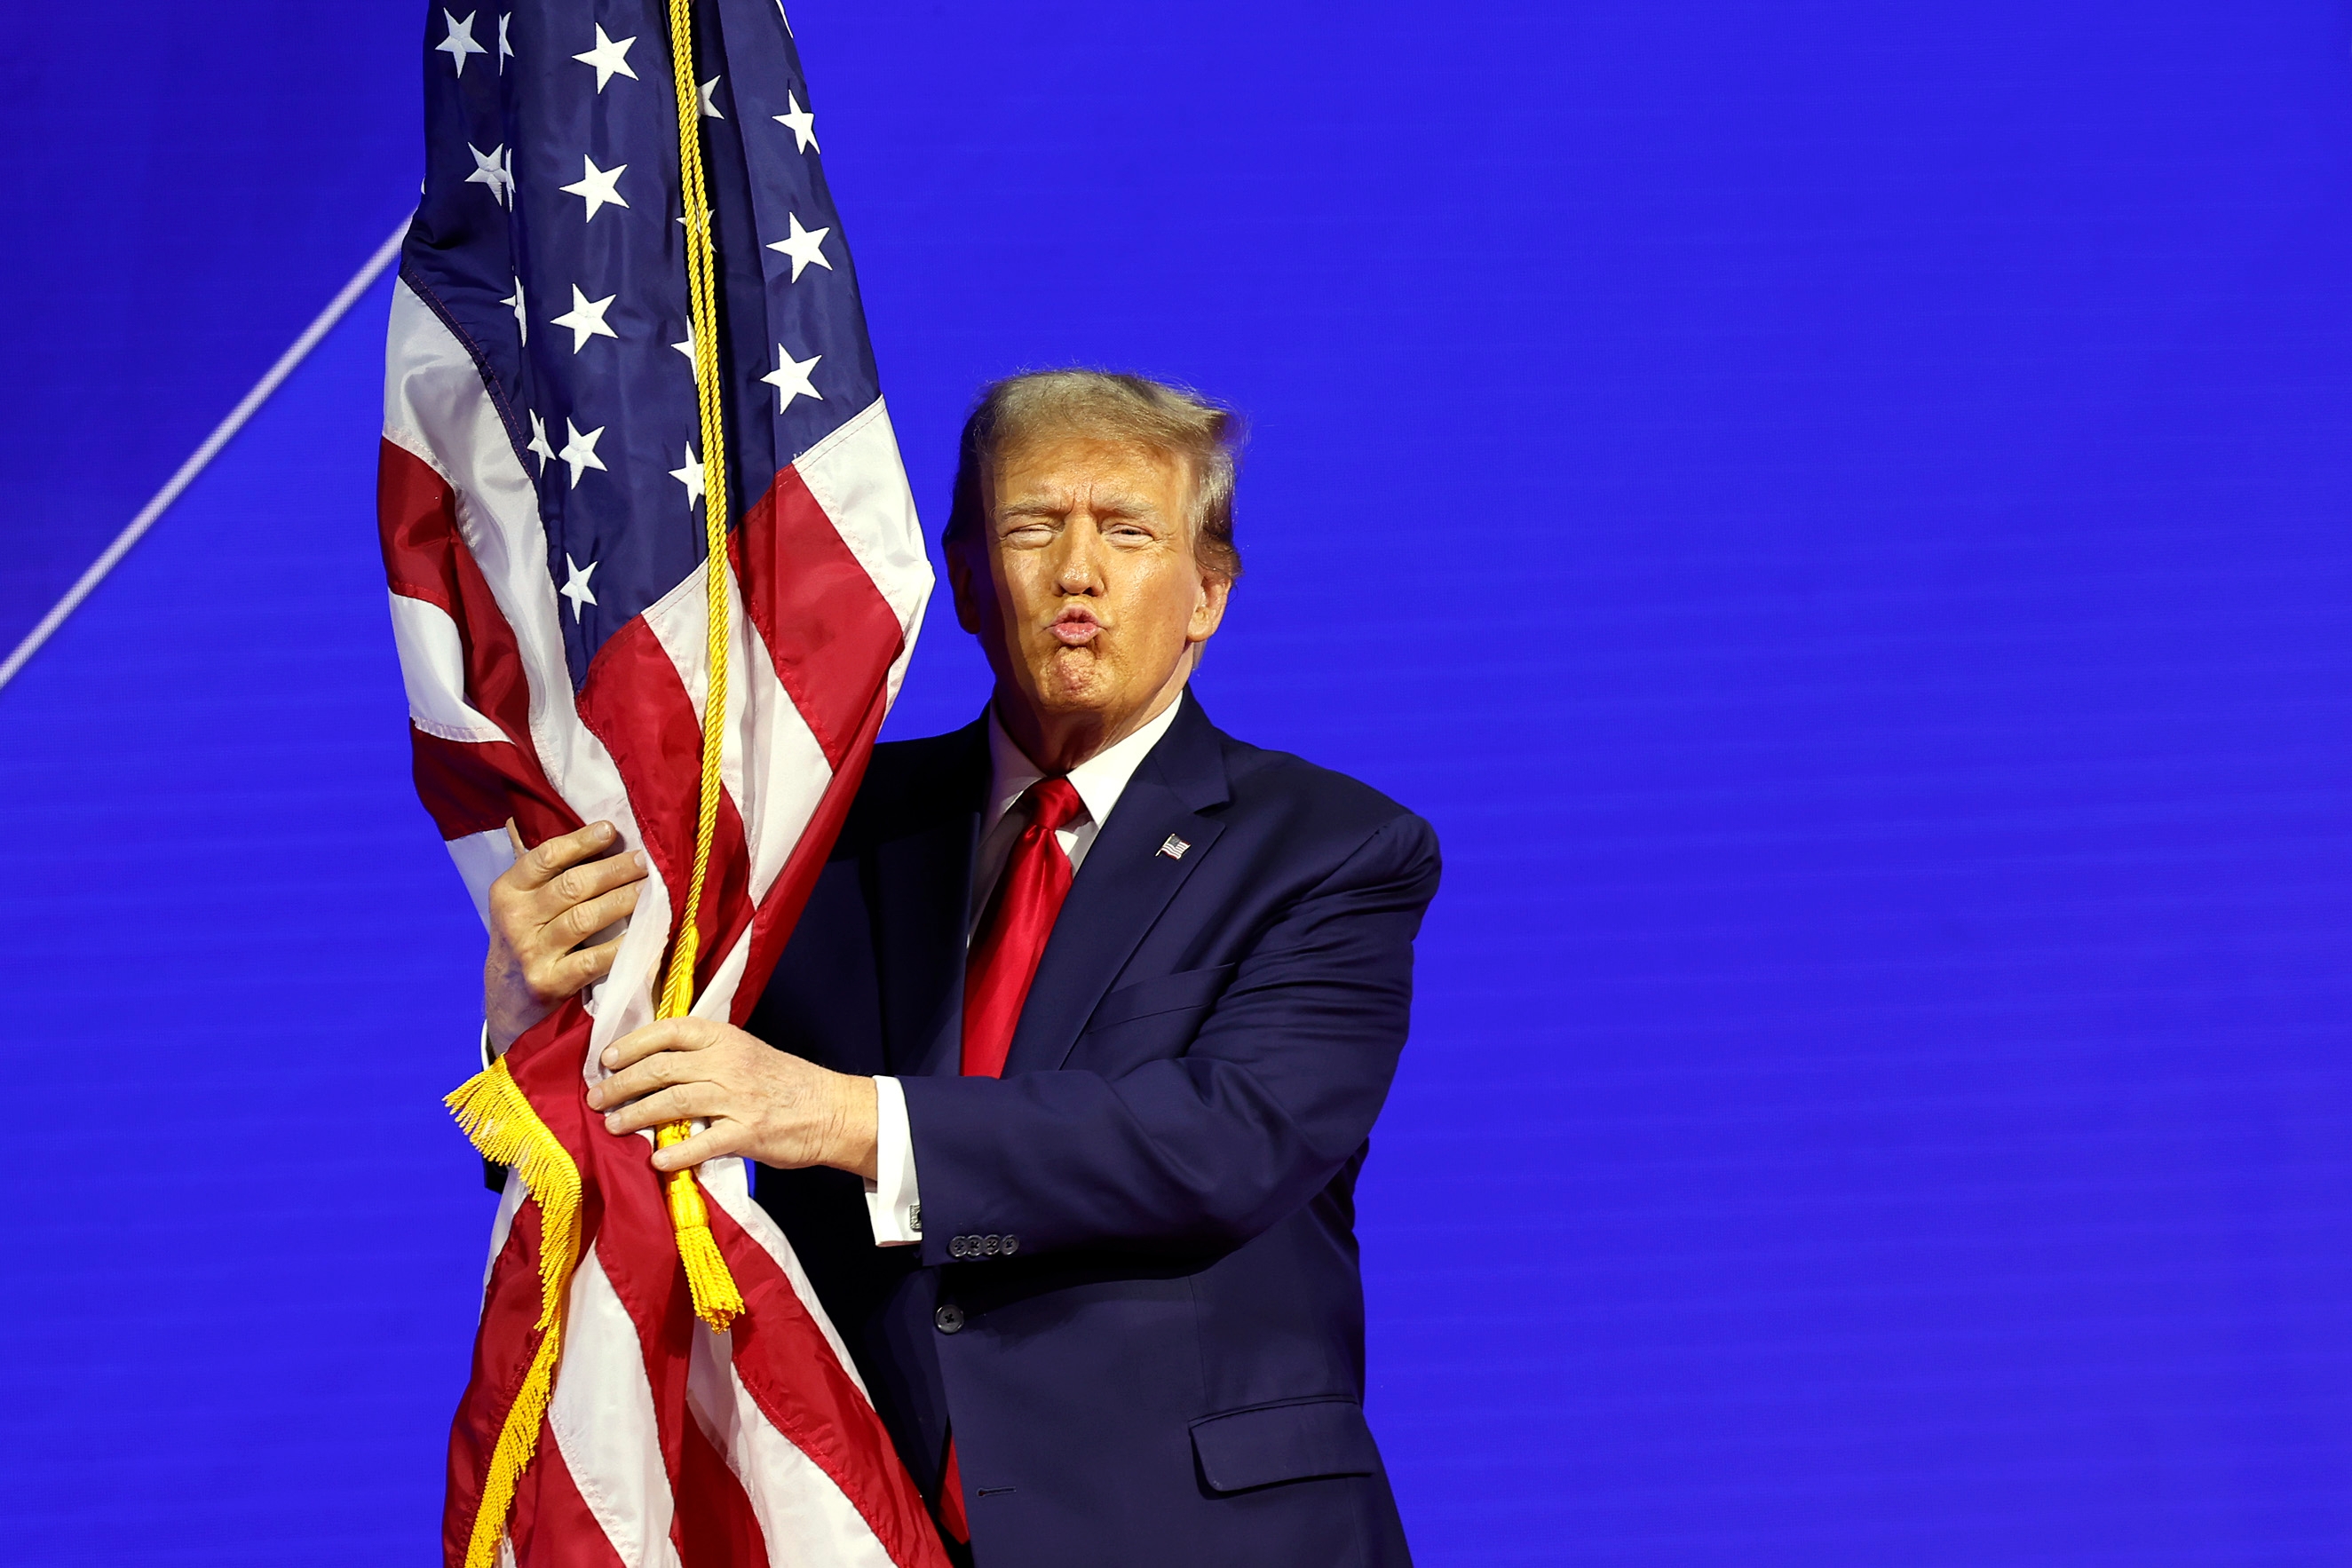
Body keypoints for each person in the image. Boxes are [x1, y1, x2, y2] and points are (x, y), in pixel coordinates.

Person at [481, 371, 1442, 1566]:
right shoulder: (812, 838)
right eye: (1032, 527)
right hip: (858, 1518)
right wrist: (542, 1019)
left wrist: (838, 1116)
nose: (1076, 573)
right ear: (970, 582)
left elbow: (1225, 1139)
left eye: (1126, 531)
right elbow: (647, 1116)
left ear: (1207, 593)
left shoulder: (1330, 846)